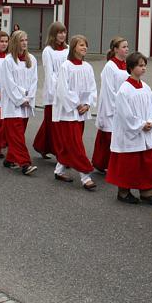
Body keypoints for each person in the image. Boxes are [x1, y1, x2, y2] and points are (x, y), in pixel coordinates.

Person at [106, 51, 152, 204]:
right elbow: (125, 114)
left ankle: (146, 191)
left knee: (147, 162)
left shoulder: (146, 87)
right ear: (131, 67)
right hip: (130, 133)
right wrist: (141, 124)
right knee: (129, 164)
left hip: (144, 130)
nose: (144, 68)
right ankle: (123, 192)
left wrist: (150, 121)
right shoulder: (124, 90)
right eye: (140, 65)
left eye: (145, 65)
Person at [52, 34, 98, 191]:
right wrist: (77, 104)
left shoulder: (88, 67)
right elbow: (63, 89)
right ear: (73, 48)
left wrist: (88, 104)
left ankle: (59, 170)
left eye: (85, 45)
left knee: (70, 144)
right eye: (81, 45)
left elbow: (92, 88)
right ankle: (85, 176)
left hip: (81, 112)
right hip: (68, 112)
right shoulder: (66, 66)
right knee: (76, 145)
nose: (84, 47)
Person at [0, 30, 39, 175]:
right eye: (21, 40)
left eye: (26, 40)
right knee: (17, 136)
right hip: (13, 104)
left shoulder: (31, 59)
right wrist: (21, 99)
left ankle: (10, 159)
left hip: (26, 103)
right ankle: (25, 164)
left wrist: (30, 97)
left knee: (18, 134)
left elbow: (34, 80)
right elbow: (8, 83)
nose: (24, 43)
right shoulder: (8, 61)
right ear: (15, 42)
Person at [93, 36, 130, 173]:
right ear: (115, 49)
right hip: (112, 107)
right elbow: (109, 90)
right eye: (124, 47)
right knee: (109, 137)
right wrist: (118, 107)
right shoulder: (110, 66)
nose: (127, 49)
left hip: (124, 104)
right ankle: (103, 163)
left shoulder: (126, 65)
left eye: (127, 46)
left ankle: (109, 164)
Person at [33, 22, 69, 159]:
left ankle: (41, 145)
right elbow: (49, 73)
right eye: (59, 32)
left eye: (64, 32)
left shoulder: (68, 49)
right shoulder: (48, 51)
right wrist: (57, 91)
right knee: (53, 123)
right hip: (53, 92)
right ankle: (59, 152)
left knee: (53, 123)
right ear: (53, 34)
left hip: (66, 90)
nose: (62, 35)